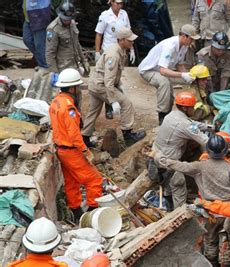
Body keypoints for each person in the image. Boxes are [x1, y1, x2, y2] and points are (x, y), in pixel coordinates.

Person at [155, 135, 230, 266]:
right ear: (225, 151)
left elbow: (180, 165)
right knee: (227, 243)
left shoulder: (200, 166)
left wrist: (160, 158)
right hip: (227, 212)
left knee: (210, 241)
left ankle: (211, 263)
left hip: (209, 212)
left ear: (208, 151)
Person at [49, 69, 103, 221]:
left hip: (61, 149)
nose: (78, 90)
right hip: (71, 151)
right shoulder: (69, 108)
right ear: (72, 88)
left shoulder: (56, 102)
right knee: (94, 180)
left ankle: (76, 211)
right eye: (77, 87)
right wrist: (86, 151)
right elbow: (74, 134)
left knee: (71, 181)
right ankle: (92, 212)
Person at [81, 27, 145, 147]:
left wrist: (119, 87)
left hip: (95, 84)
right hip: (101, 86)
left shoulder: (119, 50)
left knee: (93, 112)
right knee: (126, 104)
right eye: (130, 40)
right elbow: (108, 82)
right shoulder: (114, 55)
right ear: (121, 40)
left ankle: (84, 138)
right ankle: (128, 135)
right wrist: (113, 100)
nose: (132, 42)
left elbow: (114, 76)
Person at [148, 92, 210, 210]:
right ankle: (178, 215)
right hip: (168, 164)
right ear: (185, 108)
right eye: (192, 107)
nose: (194, 109)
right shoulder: (184, 124)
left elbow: (193, 124)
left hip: (156, 157)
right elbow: (205, 141)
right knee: (179, 188)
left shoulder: (171, 115)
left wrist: (209, 127)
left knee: (168, 187)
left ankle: (169, 205)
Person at [138, 24, 200, 125]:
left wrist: (187, 75)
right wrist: (182, 75)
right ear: (184, 36)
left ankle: (169, 114)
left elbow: (179, 64)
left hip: (162, 70)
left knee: (176, 89)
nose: (192, 41)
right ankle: (162, 115)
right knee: (164, 82)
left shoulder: (184, 46)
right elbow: (163, 71)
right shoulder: (170, 46)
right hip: (148, 70)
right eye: (191, 39)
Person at [95, 0, 134, 120]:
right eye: (117, 3)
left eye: (121, 3)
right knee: (108, 79)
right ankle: (109, 107)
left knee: (116, 78)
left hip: (121, 51)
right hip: (109, 51)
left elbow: (129, 33)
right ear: (111, 3)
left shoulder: (124, 14)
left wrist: (131, 49)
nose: (120, 5)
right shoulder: (105, 16)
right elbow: (99, 34)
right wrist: (97, 52)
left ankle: (118, 103)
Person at [45, 0, 89, 76]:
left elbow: (77, 44)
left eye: (69, 19)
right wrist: (54, 72)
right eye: (65, 19)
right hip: (62, 68)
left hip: (75, 65)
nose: (67, 21)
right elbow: (50, 53)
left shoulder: (72, 23)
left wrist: (84, 61)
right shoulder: (53, 29)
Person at [22, 0, 51, 69]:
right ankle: (43, 61)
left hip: (39, 18)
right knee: (27, 40)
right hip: (28, 18)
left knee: (39, 45)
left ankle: (44, 67)